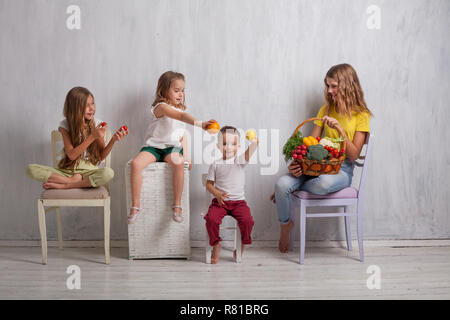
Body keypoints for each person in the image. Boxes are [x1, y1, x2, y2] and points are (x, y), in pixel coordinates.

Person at [271, 63, 373, 253]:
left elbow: (354, 155)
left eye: (334, 86)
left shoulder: (362, 115)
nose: (329, 90)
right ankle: (285, 225)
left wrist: (340, 130)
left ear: (347, 85)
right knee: (281, 184)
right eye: (328, 85)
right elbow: (311, 145)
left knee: (323, 184)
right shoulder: (325, 110)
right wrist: (299, 164)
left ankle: (289, 192)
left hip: (341, 170)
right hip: (315, 168)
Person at [128, 71, 216, 224]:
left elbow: (182, 135)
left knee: (179, 163)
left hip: (172, 149)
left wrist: (186, 155)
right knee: (136, 164)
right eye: (176, 90)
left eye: (182, 90)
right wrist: (201, 124)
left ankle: (177, 206)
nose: (180, 94)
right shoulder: (160, 107)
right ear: (164, 90)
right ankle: (136, 206)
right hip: (154, 147)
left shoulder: (181, 111)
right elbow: (180, 117)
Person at [26, 86, 127, 189]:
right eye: (86, 105)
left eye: (92, 103)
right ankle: (70, 180)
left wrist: (113, 140)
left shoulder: (97, 124)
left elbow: (100, 157)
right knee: (30, 169)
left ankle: (67, 185)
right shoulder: (65, 125)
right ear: (75, 107)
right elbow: (72, 155)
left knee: (108, 173)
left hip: (89, 172)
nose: (92, 108)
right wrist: (92, 137)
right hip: (67, 171)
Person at [204, 126, 258, 264]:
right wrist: (217, 193)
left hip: (238, 203)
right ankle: (216, 244)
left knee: (248, 221)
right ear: (217, 146)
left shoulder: (239, 161)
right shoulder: (215, 164)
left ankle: (241, 247)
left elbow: (249, 152)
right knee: (211, 219)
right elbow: (209, 184)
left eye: (233, 144)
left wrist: (255, 143)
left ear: (238, 146)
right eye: (224, 143)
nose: (228, 147)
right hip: (220, 202)